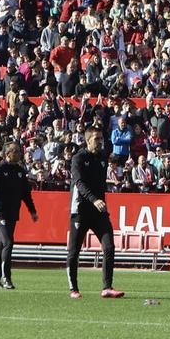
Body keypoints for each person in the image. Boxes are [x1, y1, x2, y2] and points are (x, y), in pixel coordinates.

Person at [66, 125, 124, 299]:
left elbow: (98, 183)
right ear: (88, 140)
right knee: (74, 250)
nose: (100, 142)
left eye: (101, 138)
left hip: (99, 211)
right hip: (80, 209)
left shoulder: (103, 158)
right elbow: (79, 183)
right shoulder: (78, 158)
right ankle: (73, 288)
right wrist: (94, 199)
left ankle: (107, 287)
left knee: (109, 246)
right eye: (97, 139)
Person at [0, 142, 37, 290]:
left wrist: (32, 211)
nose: (20, 154)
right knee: (8, 242)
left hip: (12, 213)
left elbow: (26, 193)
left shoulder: (19, 171)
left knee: (1, 246)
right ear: (8, 154)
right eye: (17, 152)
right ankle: (7, 278)